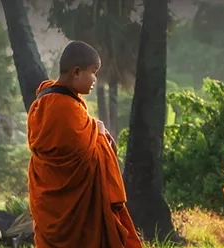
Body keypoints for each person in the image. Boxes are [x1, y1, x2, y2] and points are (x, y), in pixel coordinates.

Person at [26, 41, 144, 248]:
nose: (95, 79)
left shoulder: (41, 103)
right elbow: (84, 153)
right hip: (79, 216)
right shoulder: (66, 108)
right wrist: (97, 133)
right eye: (93, 72)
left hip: (48, 206)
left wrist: (92, 127)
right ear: (76, 72)